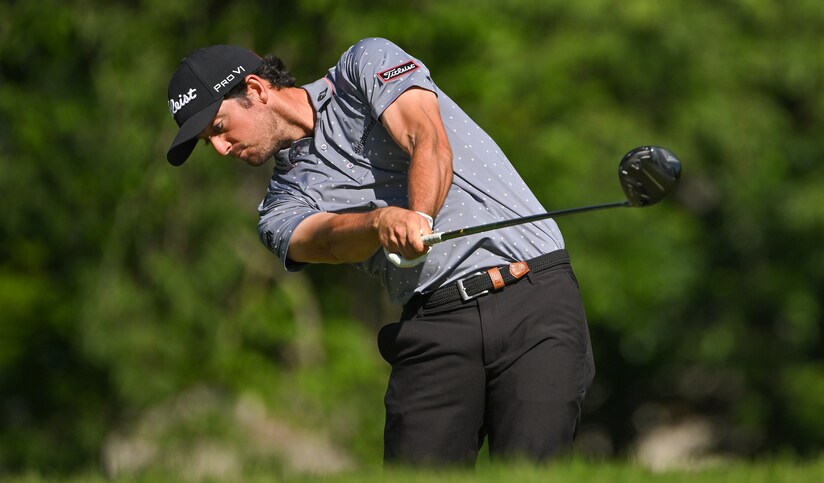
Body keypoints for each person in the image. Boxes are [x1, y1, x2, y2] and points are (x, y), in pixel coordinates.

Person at [165, 38, 595, 466]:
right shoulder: (278, 207)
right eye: (209, 142)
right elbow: (327, 241)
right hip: (434, 325)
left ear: (256, 90)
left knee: (535, 472)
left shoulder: (364, 64)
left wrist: (418, 217)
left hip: (532, 296)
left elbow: (425, 136)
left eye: (219, 128)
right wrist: (378, 222)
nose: (221, 149)